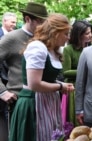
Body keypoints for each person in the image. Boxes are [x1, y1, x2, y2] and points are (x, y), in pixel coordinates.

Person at [9, 13, 74, 141]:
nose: (68, 38)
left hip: (48, 102)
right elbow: (34, 84)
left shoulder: (52, 50)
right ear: (55, 32)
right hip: (34, 104)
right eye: (65, 33)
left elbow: (46, 78)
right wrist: (60, 85)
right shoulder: (37, 47)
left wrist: (59, 86)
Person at [0, 2, 48, 141]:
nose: (43, 25)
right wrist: (2, 91)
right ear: (28, 19)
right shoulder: (11, 38)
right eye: (40, 21)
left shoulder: (43, 39)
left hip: (42, 101)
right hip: (18, 101)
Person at [62, 20, 92, 126]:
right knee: (75, 123)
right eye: (87, 33)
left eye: (90, 32)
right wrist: (86, 70)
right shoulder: (68, 49)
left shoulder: (91, 49)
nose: (91, 35)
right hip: (73, 89)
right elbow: (66, 72)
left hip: (89, 89)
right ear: (78, 35)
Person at [0, 12, 17, 86]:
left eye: (15, 23)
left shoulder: (16, 35)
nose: (15, 25)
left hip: (13, 78)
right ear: (4, 21)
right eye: (12, 22)